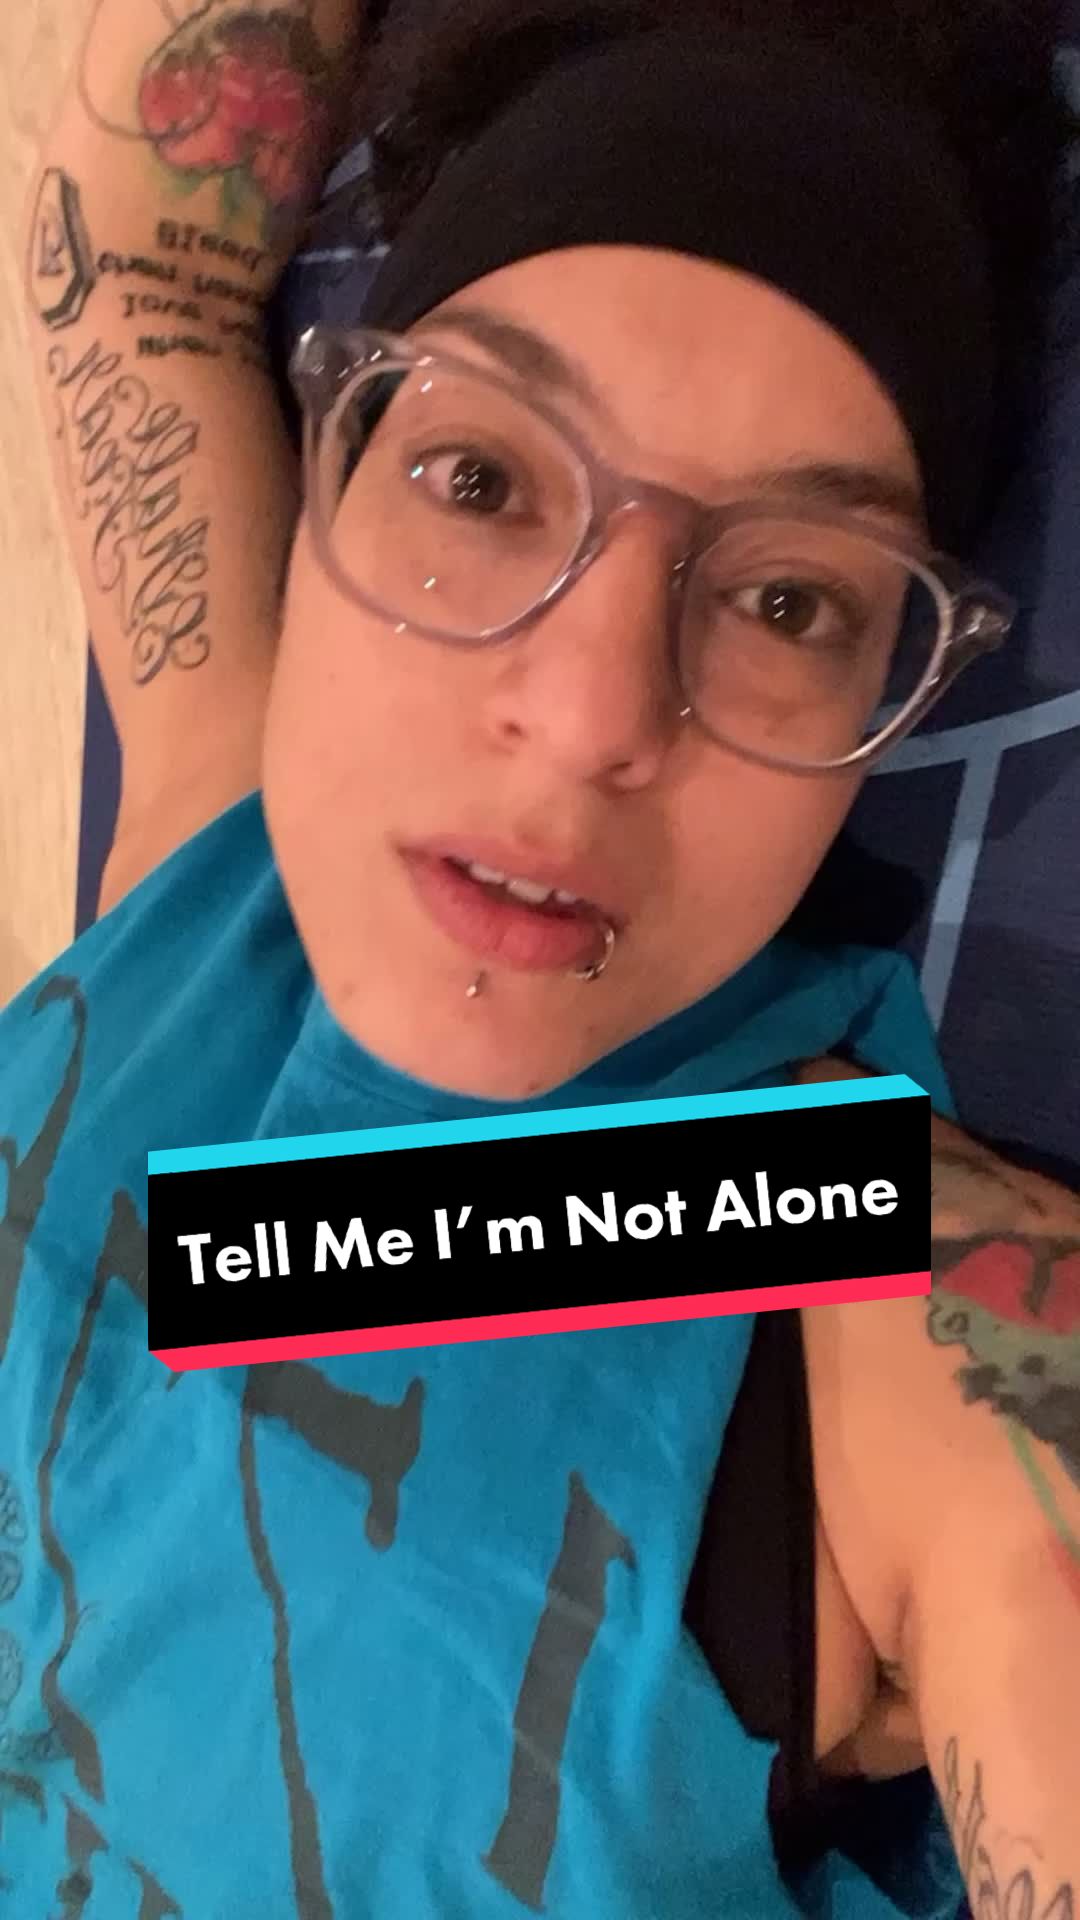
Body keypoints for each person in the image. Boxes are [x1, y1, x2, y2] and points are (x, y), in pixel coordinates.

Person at [3, 0, 1077, 1914]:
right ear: (328, 489)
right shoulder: (221, 874)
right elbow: (131, 260)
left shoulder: (916, 1322)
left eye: (783, 598)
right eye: (481, 482)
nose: (586, 718)